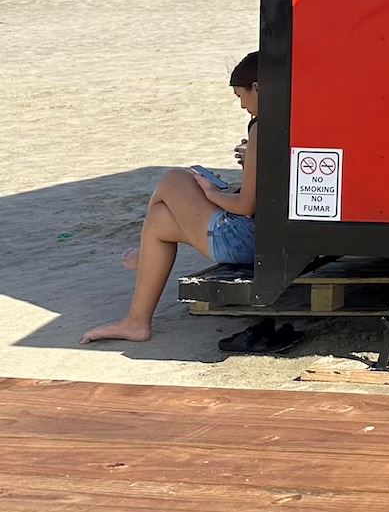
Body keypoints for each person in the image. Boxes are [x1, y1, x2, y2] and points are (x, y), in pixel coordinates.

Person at [82, 52, 260, 344]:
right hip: (261, 237)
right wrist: (250, 162)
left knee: (175, 178)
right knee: (159, 221)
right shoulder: (288, 121)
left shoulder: (260, 129)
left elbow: (246, 206)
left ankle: (141, 256)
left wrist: (210, 193)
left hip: (243, 240)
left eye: (241, 95)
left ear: (258, 87)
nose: (242, 104)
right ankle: (136, 323)